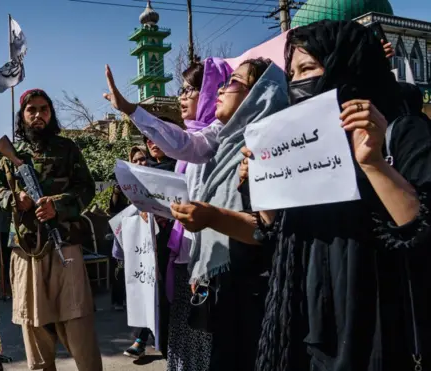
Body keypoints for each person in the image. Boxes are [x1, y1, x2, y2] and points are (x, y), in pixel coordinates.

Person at [238, 20, 431, 371]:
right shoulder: (297, 147)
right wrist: (261, 187)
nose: (297, 83)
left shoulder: (403, 132)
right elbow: (275, 233)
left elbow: (424, 232)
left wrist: (373, 164)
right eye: (292, 73)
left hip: (377, 328)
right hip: (306, 324)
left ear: (349, 64)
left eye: (308, 68)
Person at [103, 57, 231, 371]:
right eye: (183, 90)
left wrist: (131, 109)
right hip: (186, 257)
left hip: (210, 262)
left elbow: (184, 144)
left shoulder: (217, 138)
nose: (183, 97)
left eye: (192, 90)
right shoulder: (197, 138)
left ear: (214, 93)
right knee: (185, 339)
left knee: (205, 340)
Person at [0, 89, 102, 371]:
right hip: (25, 250)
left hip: (63, 244)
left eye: (44, 109)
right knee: (33, 324)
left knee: (77, 322)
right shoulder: (10, 156)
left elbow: (86, 189)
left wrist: (58, 206)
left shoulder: (67, 149)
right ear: (23, 116)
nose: (38, 115)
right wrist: (13, 199)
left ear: (51, 114)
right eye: (32, 110)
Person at [123, 136, 177, 359]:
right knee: (146, 287)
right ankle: (141, 339)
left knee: (168, 290)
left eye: (158, 139)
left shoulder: (178, 167)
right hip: (146, 243)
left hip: (174, 239)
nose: (153, 143)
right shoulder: (138, 175)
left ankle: (165, 340)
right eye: (148, 140)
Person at [109, 145, 148, 311]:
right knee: (121, 265)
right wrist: (117, 191)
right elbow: (114, 208)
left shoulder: (157, 176)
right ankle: (120, 300)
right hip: (128, 229)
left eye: (142, 159)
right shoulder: (126, 178)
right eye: (135, 160)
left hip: (148, 229)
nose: (139, 163)